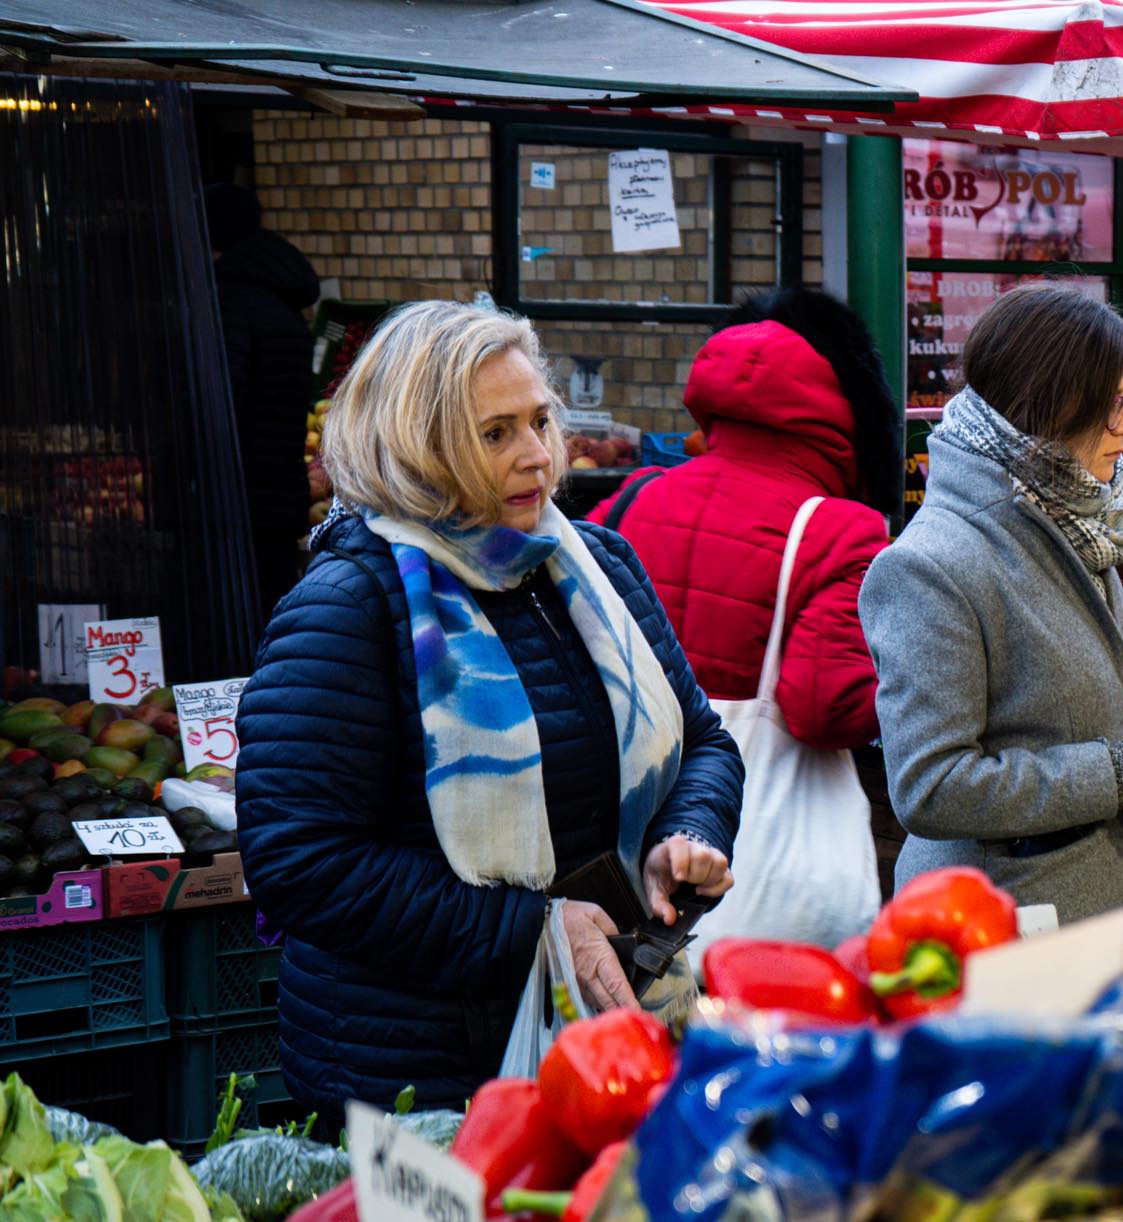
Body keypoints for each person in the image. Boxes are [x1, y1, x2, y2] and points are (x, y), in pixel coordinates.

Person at [236, 300, 744, 1112]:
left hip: (608, 1036)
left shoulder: (598, 564)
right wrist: (532, 929)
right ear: (418, 446)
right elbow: (300, 862)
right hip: (419, 1076)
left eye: (540, 420)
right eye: (495, 433)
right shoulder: (349, 607)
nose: (538, 455)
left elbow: (704, 740)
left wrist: (685, 836)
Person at [861, 284, 1123, 949]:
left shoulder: (1077, 515)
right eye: (1116, 403)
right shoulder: (931, 565)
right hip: (1003, 937)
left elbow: (1054, 716)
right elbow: (931, 787)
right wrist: (1122, 775)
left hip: (1107, 921)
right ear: (1054, 406)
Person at [590, 289, 896, 955]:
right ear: (841, 416)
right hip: (771, 895)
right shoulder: (841, 530)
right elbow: (824, 709)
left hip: (626, 860)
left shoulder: (628, 501)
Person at [206, 183, 321, 616]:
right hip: (280, 492)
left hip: (236, 500)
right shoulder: (282, 301)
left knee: (236, 616)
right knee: (272, 611)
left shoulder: (230, 303)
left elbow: (222, 403)